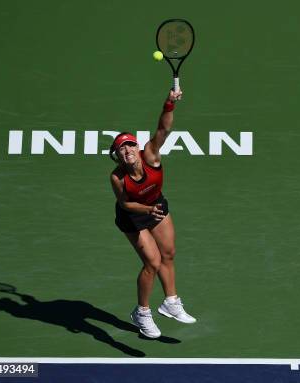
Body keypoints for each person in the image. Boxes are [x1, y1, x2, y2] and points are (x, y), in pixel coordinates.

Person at [109, 88, 196, 339]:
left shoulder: (151, 154)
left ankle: (170, 302)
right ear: (118, 156)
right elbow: (125, 204)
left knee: (168, 253)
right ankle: (142, 312)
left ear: (137, 147)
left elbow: (163, 128)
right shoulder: (117, 178)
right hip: (133, 216)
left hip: (155, 204)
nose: (127, 152)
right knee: (152, 262)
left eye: (130, 146)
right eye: (122, 150)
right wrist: (147, 209)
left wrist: (169, 103)